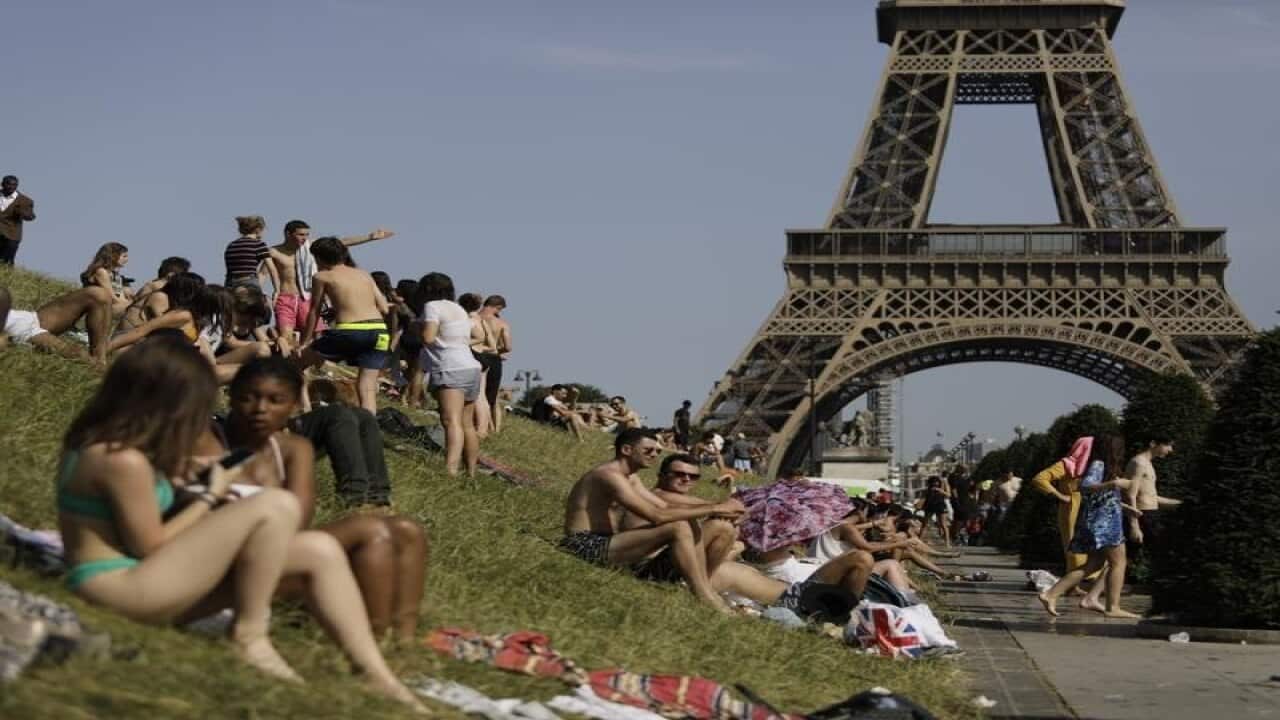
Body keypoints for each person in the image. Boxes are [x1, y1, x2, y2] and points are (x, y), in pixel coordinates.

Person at [54, 338, 425, 711]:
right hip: (121, 590)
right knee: (275, 505)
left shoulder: (111, 445)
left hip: (145, 579)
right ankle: (250, 634)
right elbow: (150, 547)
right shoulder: (122, 460)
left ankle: (379, 677)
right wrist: (209, 496)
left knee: (320, 550)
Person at [221, 357, 429, 641]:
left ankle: (403, 644)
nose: (260, 409)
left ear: (293, 407)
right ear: (231, 398)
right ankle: (372, 645)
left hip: (276, 552)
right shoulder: (212, 441)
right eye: (248, 398)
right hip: (231, 566)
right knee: (370, 532)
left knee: (408, 530)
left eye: (274, 400)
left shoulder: (293, 449)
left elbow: (297, 523)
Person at [560, 429, 746, 612]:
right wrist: (715, 508)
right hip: (584, 544)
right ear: (626, 450)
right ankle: (703, 595)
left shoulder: (631, 477)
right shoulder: (608, 476)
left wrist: (724, 512)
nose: (654, 455)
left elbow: (664, 507)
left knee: (687, 521)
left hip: (608, 543)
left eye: (657, 451)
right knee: (678, 526)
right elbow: (656, 516)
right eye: (648, 450)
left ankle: (704, 589)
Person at [1038, 435, 1143, 618]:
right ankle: (1113, 607)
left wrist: (1125, 508)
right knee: (1119, 562)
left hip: (1102, 520)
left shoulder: (1103, 467)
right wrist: (1115, 483)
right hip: (1105, 524)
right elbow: (1086, 486)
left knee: (1093, 564)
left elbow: (1103, 499)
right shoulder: (1099, 465)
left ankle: (1051, 594)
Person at [267, 220, 395, 355]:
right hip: (286, 297)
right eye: (301, 235)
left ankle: (307, 363)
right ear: (288, 234)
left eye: (306, 234)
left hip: (306, 296)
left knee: (315, 334)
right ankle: (288, 360)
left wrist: (370, 237)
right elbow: (264, 272)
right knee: (286, 335)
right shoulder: (274, 252)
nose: (304, 238)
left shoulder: (310, 246)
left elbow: (342, 242)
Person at [298, 237, 391, 414]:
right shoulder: (364, 274)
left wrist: (305, 341)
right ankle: (368, 429)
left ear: (319, 258)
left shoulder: (322, 276)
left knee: (297, 364)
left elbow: (314, 311)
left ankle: (306, 409)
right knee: (367, 388)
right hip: (379, 331)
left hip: (350, 331)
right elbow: (384, 307)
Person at [414, 272, 482, 477]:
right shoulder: (459, 308)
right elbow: (473, 335)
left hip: (450, 368)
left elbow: (428, 337)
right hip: (471, 367)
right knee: (467, 423)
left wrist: (417, 329)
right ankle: (471, 471)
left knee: (450, 421)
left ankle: (450, 470)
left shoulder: (432, 306)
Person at [1031, 436, 1096, 577]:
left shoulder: (1095, 467)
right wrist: (1060, 495)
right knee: (1075, 549)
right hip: (1073, 510)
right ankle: (1077, 584)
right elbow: (1040, 479)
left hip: (1091, 510)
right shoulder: (1067, 465)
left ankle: (1081, 583)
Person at [0, 284, 112, 363]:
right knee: (78, 355)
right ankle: (100, 369)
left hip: (31, 317)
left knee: (97, 294)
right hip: (22, 333)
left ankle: (101, 358)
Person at [1124, 438, 1178, 555]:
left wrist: (1178, 503)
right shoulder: (1139, 463)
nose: (1170, 449)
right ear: (1153, 443)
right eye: (1168, 444)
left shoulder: (1148, 464)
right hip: (1142, 516)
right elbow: (1130, 495)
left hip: (1150, 516)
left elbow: (1150, 496)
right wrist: (1134, 526)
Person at [118, 257, 191, 331]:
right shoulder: (158, 287)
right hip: (132, 332)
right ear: (171, 275)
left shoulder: (154, 285)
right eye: (183, 276)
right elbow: (165, 321)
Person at [458, 292, 493, 439]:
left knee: (477, 396)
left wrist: (463, 344)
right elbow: (491, 344)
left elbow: (480, 337)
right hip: (482, 357)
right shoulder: (481, 319)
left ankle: (481, 429)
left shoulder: (469, 318)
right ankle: (483, 428)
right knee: (482, 396)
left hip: (475, 356)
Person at [474, 295, 510, 433]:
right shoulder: (501, 323)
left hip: (474, 356)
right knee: (491, 397)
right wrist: (497, 351)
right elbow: (508, 347)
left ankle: (482, 426)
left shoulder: (473, 318)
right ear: (498, 307)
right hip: (493, 358)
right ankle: (494, 429)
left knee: (477, 394)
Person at [224, 215, 279, 291]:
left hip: (230, 283)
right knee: (265, 302)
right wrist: (277, 290)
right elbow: (272, 269)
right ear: (258, 230)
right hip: (248, 282)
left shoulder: (231, 245)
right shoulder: (259, 244)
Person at [79, 242, 133, 316]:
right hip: (99, 311)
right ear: (113, 256)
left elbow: (120, 297)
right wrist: (131, 304)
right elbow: (112, 297)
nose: (127, 260)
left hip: (114, 307)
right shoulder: (101, 272)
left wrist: (131, 302)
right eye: (124, 256)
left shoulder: (116, 275)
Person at [0, 175, 35, 265]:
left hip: (12, 235)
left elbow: (30, 216)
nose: (12, 187)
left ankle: (7, 277)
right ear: (2, 184)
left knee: (7, 260)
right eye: (9, 184)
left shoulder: (25, 201)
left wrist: (25, 214)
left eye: (14, 185)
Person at [917, 476, 951, 547]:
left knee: (943, 524)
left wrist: (941, 491)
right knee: (925, 524)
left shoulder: (941, 489)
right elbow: (923, 498)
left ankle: (947, 542)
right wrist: (919, 506)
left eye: (937, 482)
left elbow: (948, 495)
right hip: (930, 506)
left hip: (940, 505)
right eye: (934, 483)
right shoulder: (927, 490)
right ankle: (919, 541)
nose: (935, 484)